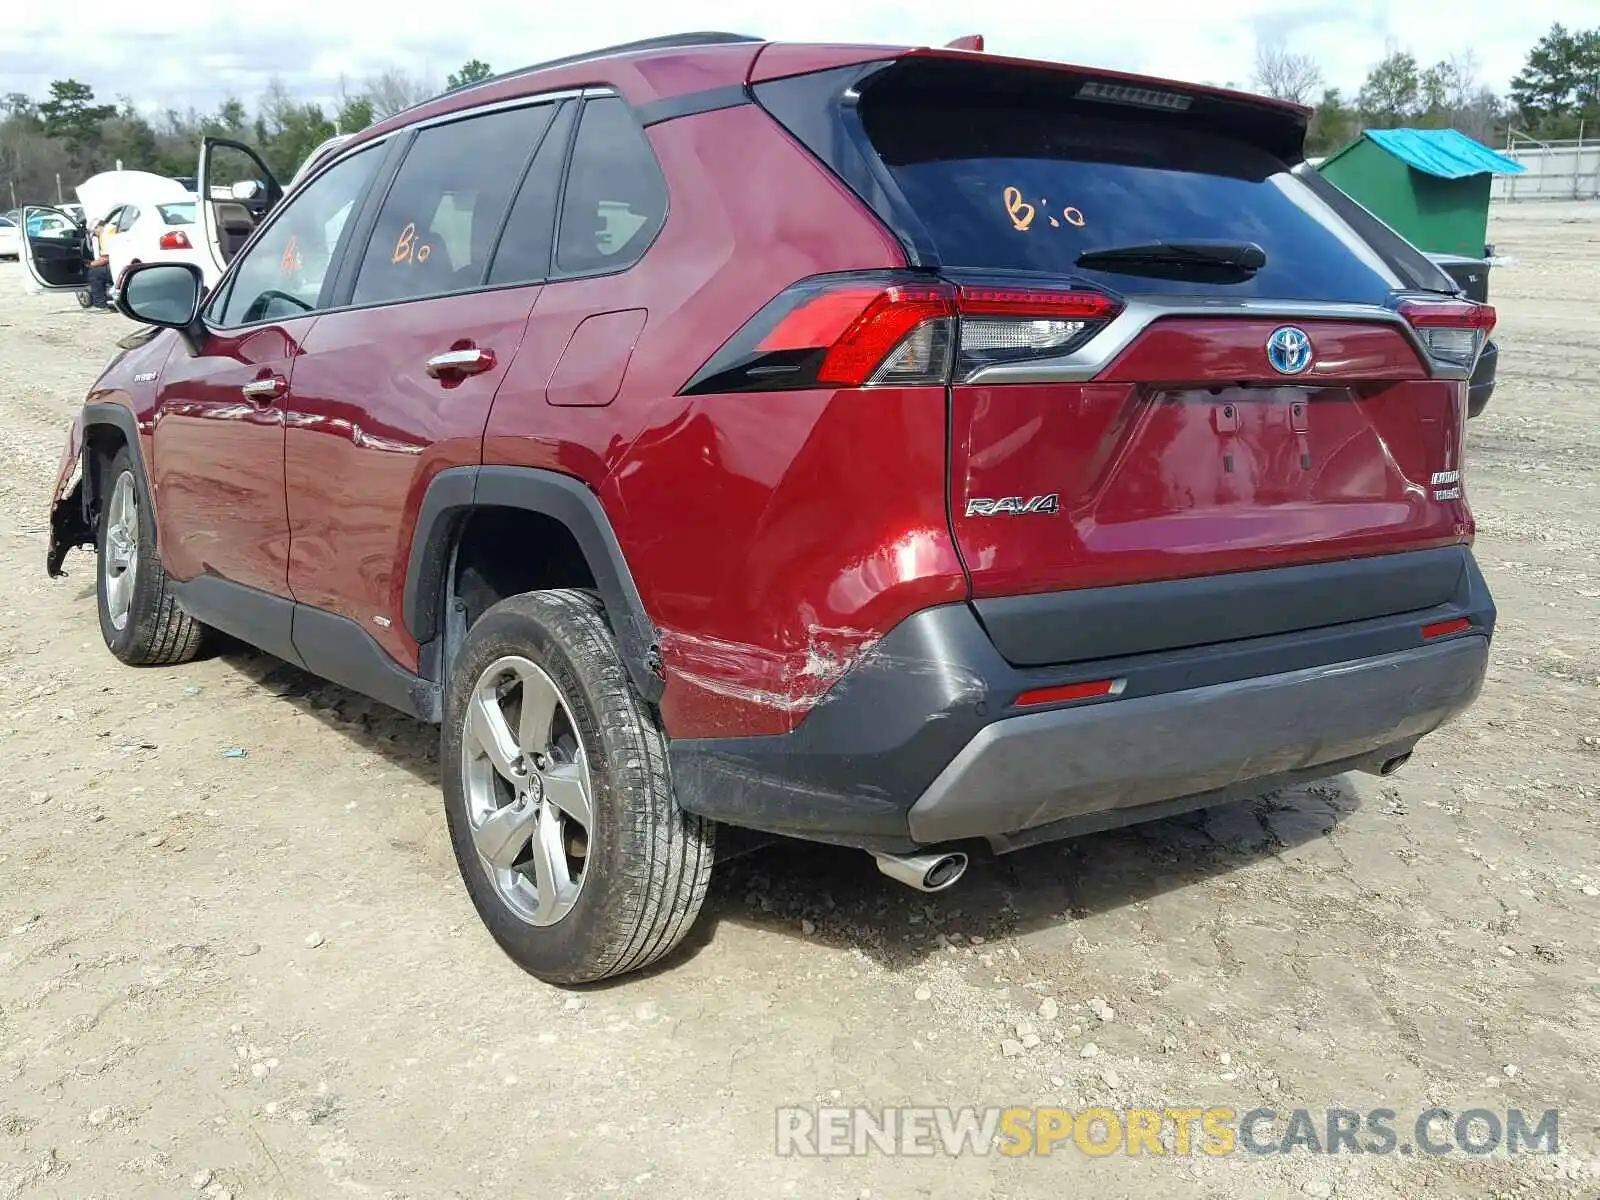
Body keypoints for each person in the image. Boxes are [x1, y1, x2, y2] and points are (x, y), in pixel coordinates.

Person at [84, 219, 114, 312]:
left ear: (97, 227)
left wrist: (90, 264)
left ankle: (100, 305)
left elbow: (106, 258)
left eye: (94, 232)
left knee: (95, 273)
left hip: (117, 266)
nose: (96, 235)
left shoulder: (105, 233)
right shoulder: (113, 228)